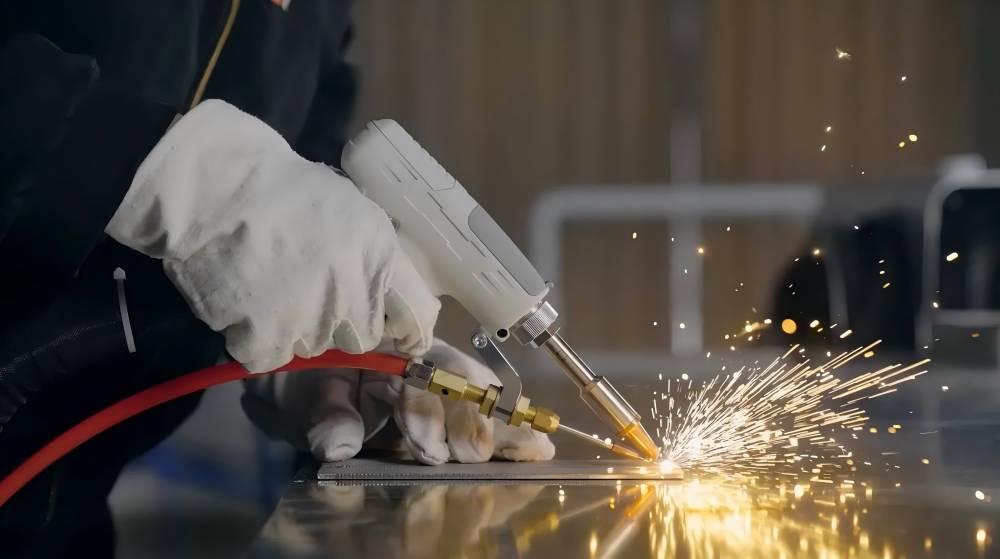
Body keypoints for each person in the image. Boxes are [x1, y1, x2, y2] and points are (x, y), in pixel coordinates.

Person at [0, 2, 553, 556]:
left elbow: (299, 204)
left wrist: (336, 345)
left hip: (57, 515)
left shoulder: (320, 18)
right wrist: (151, 163)